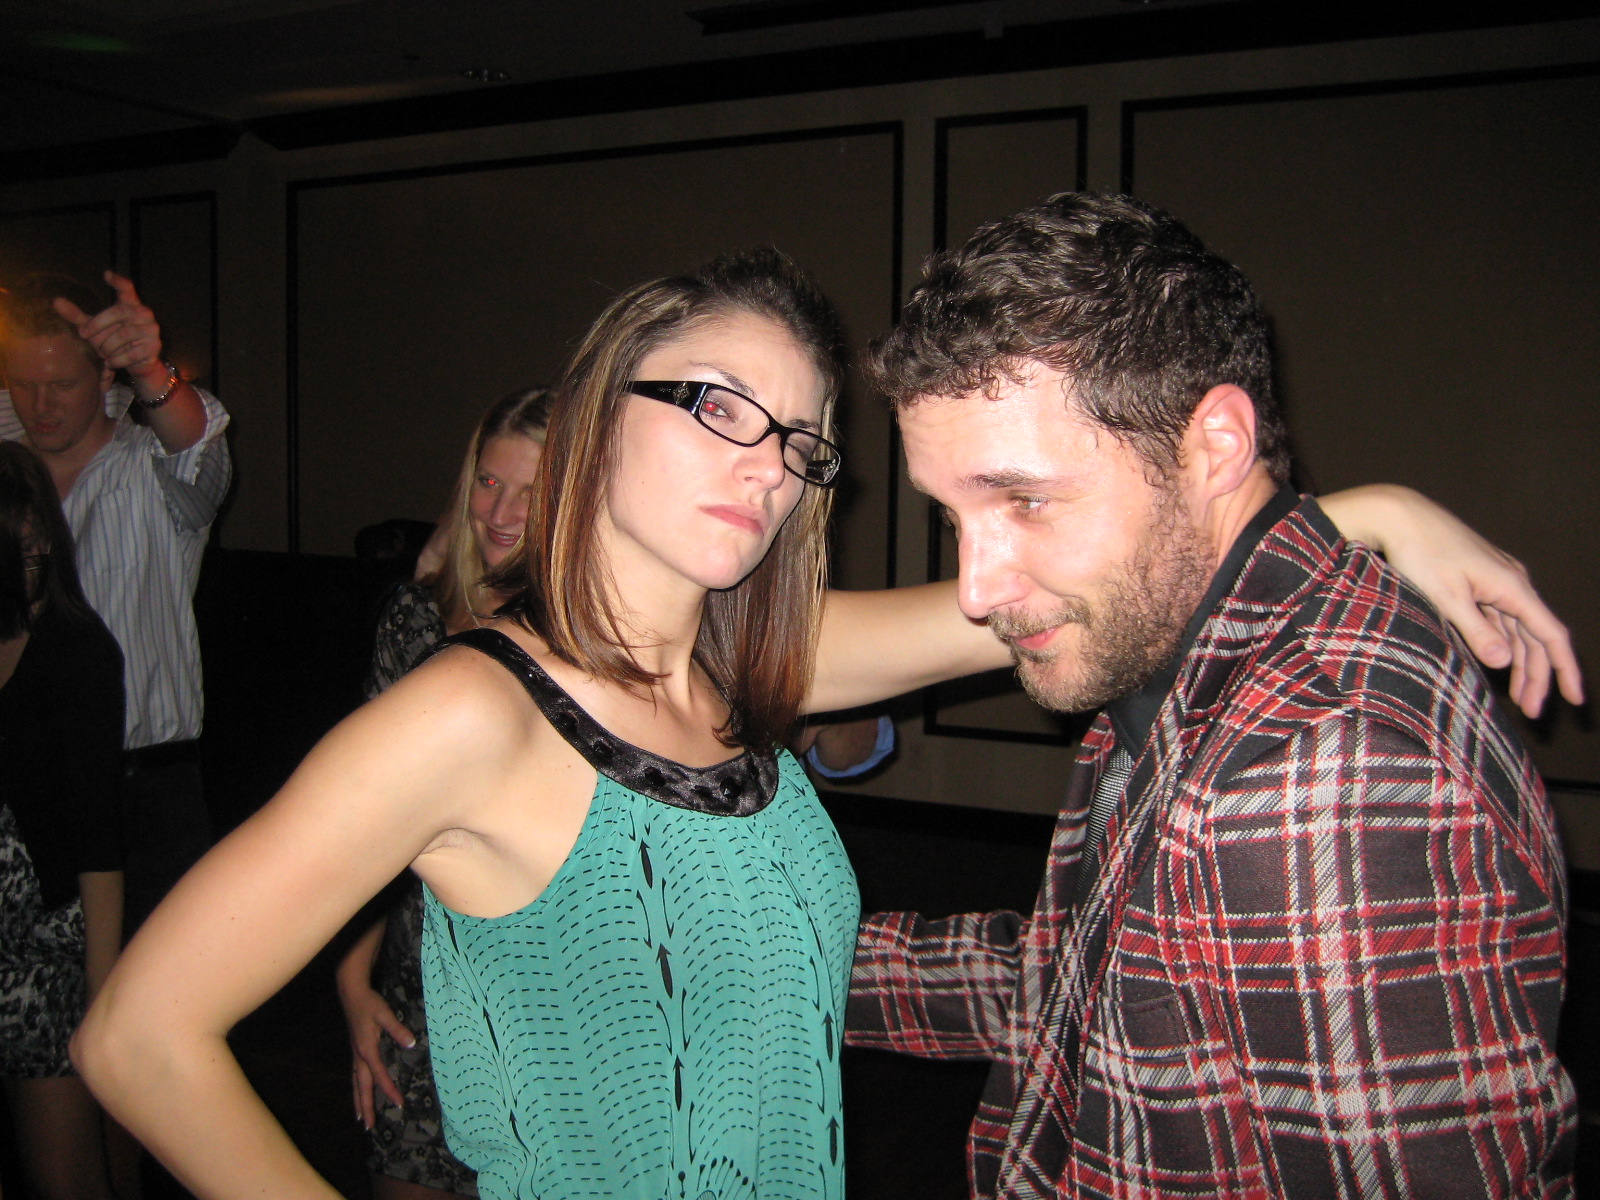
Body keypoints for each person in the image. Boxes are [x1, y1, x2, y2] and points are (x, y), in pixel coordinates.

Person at [72, 246, 1573, 1200]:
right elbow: (141, 1036)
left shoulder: (754, 670)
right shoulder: (472, 712)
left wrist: (1367, 513)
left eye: (796, 440)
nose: (768, 466)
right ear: (597, 408)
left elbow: (1057, 590)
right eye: (719, 406)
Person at [846, 192, 1582, 1198]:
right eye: (954, 517)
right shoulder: (1183, 650)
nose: (976, 590)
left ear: (1215, 448)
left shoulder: (1314, 773)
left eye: (1026, 499)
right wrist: (780, 965)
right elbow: (1095, 983)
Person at [339, 386, 555, 1200]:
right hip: (422, 987)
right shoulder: (417, 620)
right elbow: (364, 827)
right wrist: (351, 982)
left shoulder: (597, 641)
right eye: (489, 482)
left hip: (547, 1002)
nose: (500, 512)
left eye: (530, 490)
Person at [0, 271, 232, 937]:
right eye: (24, 385)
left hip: (145, 788)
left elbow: (194, 444)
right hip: (22, 784)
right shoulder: (7, 472)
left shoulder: (149, 465)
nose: (41, 404)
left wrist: (148, 367)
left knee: (161, 982)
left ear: (105, 376)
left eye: (62, 385)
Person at [0, 441, 126, 1200]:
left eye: (30, 542)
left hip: (41, 958)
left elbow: (97, 838)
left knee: (66, 1177)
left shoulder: (78, 651)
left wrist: (102, 995)